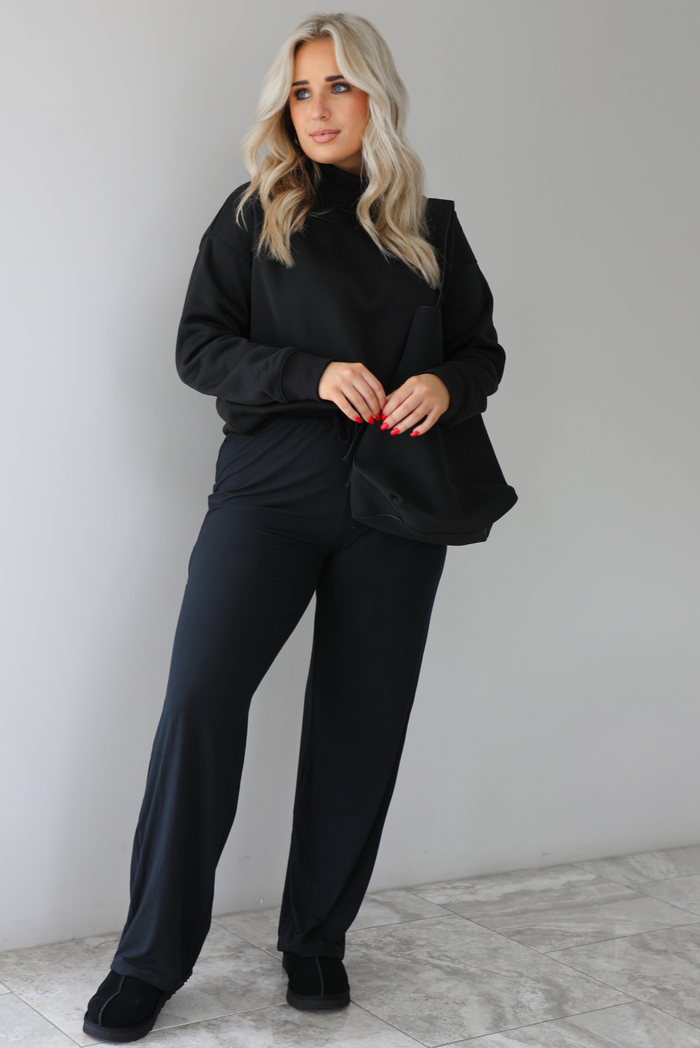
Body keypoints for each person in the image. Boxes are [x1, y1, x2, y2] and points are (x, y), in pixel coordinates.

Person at [83, 11, 506, 1043]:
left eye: (339, 87)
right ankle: (149, 958)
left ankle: (315, 938)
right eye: (302, 90)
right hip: (267, 498)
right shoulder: (253, 217)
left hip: (395, 507)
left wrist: (444, 391)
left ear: (376, 98)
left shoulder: (429, 226)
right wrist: (309, 372)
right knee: (198, 706)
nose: (317, 108)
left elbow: (481, 354)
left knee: (360, 727)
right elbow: (197, 348)